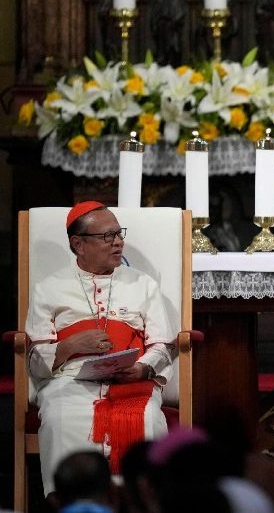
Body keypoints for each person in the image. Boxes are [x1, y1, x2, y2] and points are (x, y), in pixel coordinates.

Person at [26, 201, 176, 497]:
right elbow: (34, 360)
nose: (118, 241)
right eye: (107, 236)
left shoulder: (143, 285)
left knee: (145, 419)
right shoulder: (48, 288)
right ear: (78, 244)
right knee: (59, 419)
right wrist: (68, 346)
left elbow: (165, 344)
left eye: (119, 233)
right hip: (67, 382)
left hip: (132, 382)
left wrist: (143, 368)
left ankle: (137, 502)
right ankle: (72, 503)